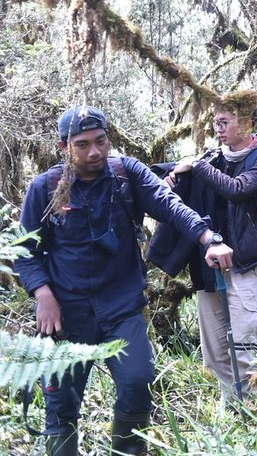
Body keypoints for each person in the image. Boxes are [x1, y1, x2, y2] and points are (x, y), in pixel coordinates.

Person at [15, 105, 233, 456]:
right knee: (62, 408)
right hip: (66, 317)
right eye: (82, 144)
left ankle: (128, 451)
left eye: (100, 141)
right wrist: (42, 293)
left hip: (121, 308)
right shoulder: (46, 188)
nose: (94, 152)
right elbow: (24, 250)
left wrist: (208, 237)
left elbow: (168, 204)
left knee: (138, 383)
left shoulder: (126, 174)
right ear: (64, 147)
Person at [159, 103, 257, 406]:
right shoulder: (212, 157)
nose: (218, 129)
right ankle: (233, 409)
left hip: (244, 265)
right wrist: (174, 176)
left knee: (243, 349)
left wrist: (196, 166)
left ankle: (252, 415)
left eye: (225, 122)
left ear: (248, 122)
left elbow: (237, 189)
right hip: (207, 267)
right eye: (215, 123)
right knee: (213, 354)